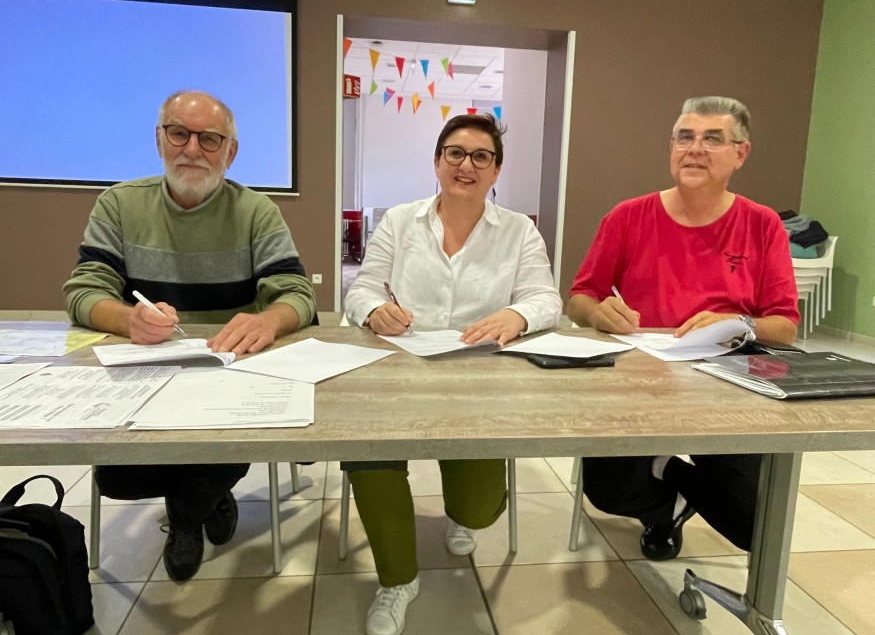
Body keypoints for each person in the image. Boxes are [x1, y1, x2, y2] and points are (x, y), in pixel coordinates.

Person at [63, 89, 316, 580]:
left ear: (230, 152)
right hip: (145, 367)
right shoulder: (119, 205)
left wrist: (266, 321)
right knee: (116, 479)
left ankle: (185, 518)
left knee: (225, 444)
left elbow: (296, 293)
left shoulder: (256, 210)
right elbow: (83, 291)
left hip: (228, 370)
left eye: (210, 139)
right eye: (179, 134)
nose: (193, 149)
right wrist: (128, 320)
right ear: (159, 140)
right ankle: (209, 496)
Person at [344, 113, 562, 635]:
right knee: (367, 455)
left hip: (478, 378)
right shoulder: (400, 221)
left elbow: (545, 298)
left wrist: (517, 315)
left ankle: (464, 513)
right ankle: (397, 580)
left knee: (479, 509)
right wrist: (374, 310)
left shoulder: (519, 230)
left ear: (496, 170)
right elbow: (362, 288)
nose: (467, 165)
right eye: (455, 153)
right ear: (438, 162)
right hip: (400, 369)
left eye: (481, 156)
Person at [567, 96, 799, 559]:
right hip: (639, 379)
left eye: (713, 139)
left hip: (728, 384)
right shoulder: (627, 216)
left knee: (754, 526)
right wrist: (597, 314)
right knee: (609, 492)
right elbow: (579, 298)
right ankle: (663, 504)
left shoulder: (762, 224)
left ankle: (667, 470)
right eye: (684, 138)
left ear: (741, 153)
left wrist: (740, 322)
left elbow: (785, 327)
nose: (695, 149)